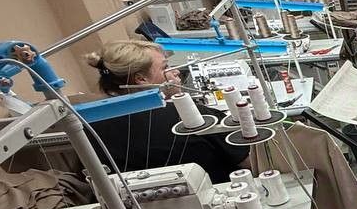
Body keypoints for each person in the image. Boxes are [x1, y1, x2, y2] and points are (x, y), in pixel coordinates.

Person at [85, 40, 249, 183]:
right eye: (166, 67)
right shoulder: (197, 116)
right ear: (141, 79)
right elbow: (251, 163)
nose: (176, 72)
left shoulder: (87, 127)